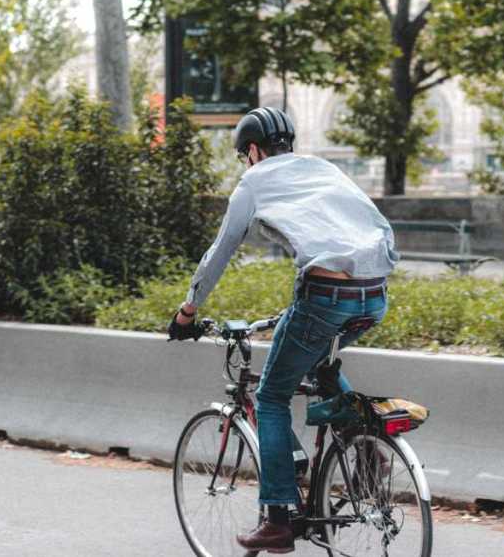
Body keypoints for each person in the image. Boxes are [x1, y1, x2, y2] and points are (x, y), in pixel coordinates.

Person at [168, 107, 398, 554]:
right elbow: (366, 224)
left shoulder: (253, 181)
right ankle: (368, 451)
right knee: (319, 360)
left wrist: (188, 311)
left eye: (244, 156)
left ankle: (277, 517)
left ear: (252, 150)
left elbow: (221, 251)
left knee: (272, 396)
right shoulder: (323, 170)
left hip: (324, 296)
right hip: (374, 295)